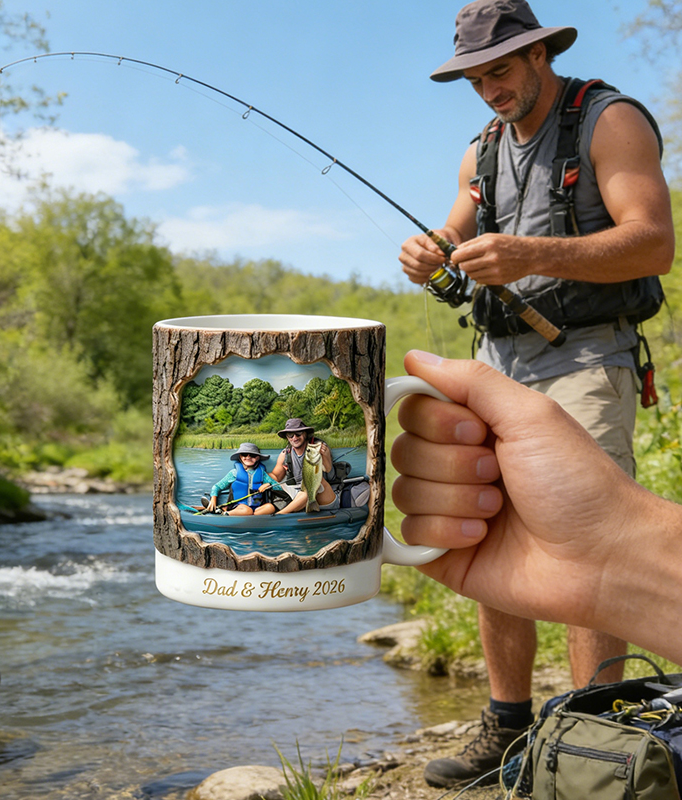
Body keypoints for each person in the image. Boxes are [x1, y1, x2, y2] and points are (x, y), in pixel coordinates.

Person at [398, 0, 675, 788]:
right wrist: (429, 253)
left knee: (589, 536)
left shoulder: (609, 119)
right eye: (475, 77)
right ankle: (508, 727)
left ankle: (595, 735)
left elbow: (653, 241)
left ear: (540, 54)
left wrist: (526, 253)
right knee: (488, 535)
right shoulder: (480, 150)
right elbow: (453, 236)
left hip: (588, 357)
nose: (489, 89)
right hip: (496, 358)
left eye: (501, 69)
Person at [390, 349, 682, 672]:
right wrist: (605, 557)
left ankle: (593, 719)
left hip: (590, 352)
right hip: (498, 346)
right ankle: (506, 716)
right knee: (486, 536)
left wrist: (609, 553)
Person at [270, 418, 338, 514]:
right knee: (279, 485)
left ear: (305, 434)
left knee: (311, 483)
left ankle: (279, 515)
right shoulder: (285, 454)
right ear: (287, 437)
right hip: (299, 495)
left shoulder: (318, 447)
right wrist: (264, 479)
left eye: (298, 433)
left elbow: (328, 470)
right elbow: (276, 476)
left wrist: (325, 455)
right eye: (290, 435)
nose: (294, 437)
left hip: (324, 496)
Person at [205, 443, 282, 516]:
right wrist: (213, 500)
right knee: (247, 510)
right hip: (239, 507)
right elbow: (217, 487)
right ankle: (225, 513)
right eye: (244, 455)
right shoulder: (234, 473)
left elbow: (279, 488)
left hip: (257, 508)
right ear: (240, 457)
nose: (248, 457)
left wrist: (268, 485)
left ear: (257, 458)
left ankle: (251, 518)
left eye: (252, 455)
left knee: (270, 507)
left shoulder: (263, 474)